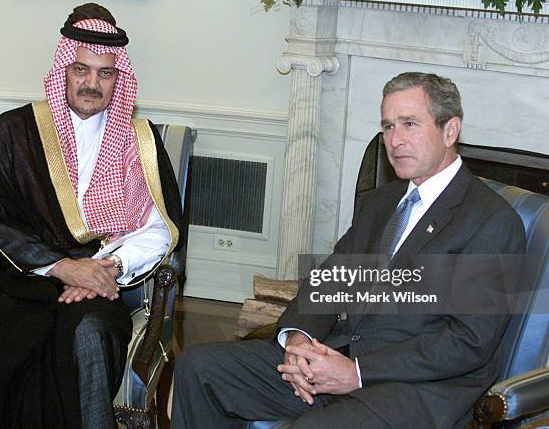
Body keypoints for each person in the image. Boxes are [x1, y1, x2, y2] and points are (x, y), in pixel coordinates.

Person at [171, 72, 525, 428]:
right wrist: (298, 341)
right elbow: (328, 282)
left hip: (417, 392)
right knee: (199, 369)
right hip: (337, 365)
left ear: (450, 131)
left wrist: (357, 372)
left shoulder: (490, 220)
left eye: (410, 124)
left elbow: (468, 341)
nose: (395, 140)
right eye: (387, 127)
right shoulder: (381, 203)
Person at [0, 3, 182, 428]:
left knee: (89, 337)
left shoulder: (138, 143)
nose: (91, 83)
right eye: (81, 70)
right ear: (62, 70)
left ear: (118, 78)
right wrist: (63, 266)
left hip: (93, 282)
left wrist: (107, 268)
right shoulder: (12, 132)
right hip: (13, 274)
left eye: (105, 73)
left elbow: (159, 229)